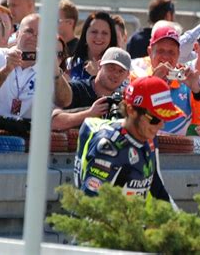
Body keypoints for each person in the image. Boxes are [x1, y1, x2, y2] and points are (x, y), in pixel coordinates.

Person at [74, 76, 178, 205]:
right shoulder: (109, 149)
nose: (161, 125)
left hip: (134, 220)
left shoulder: (149, 137)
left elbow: (157, 188)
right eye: (155, 119)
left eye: (164, 118)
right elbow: (88, 207)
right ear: (131, 110)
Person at [0, 13, 72, 119]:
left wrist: (56, 73)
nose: (34, 37)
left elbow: (65, 101)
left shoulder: (47, 66)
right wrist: (6, 70)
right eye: (29, 31)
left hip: (24, 131)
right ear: (17, 35)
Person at [141, 26, 200, 135]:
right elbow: (131, 114)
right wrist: (152, 84)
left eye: (172, 52)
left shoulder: (186, 80)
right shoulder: (137, 75)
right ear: (150, 51)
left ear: (178, 54)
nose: (166, 56)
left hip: (176, 149)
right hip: (143, 147)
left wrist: (198, 91)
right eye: (160, 50)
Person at [52, 47, 131, 130]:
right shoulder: (76, 89)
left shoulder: (124, 103)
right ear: (99, 65)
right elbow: (54, 122)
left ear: (127, 75)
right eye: (111, 68)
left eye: (121, 71)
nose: (115, 74)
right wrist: (89, 113)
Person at [67, 11, 117, 81]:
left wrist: (98, 76)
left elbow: (121, 91)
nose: (99, 37)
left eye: (104, 33)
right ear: (85, 34)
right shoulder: (70, 64)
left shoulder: (119, 69)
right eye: (94, 32)